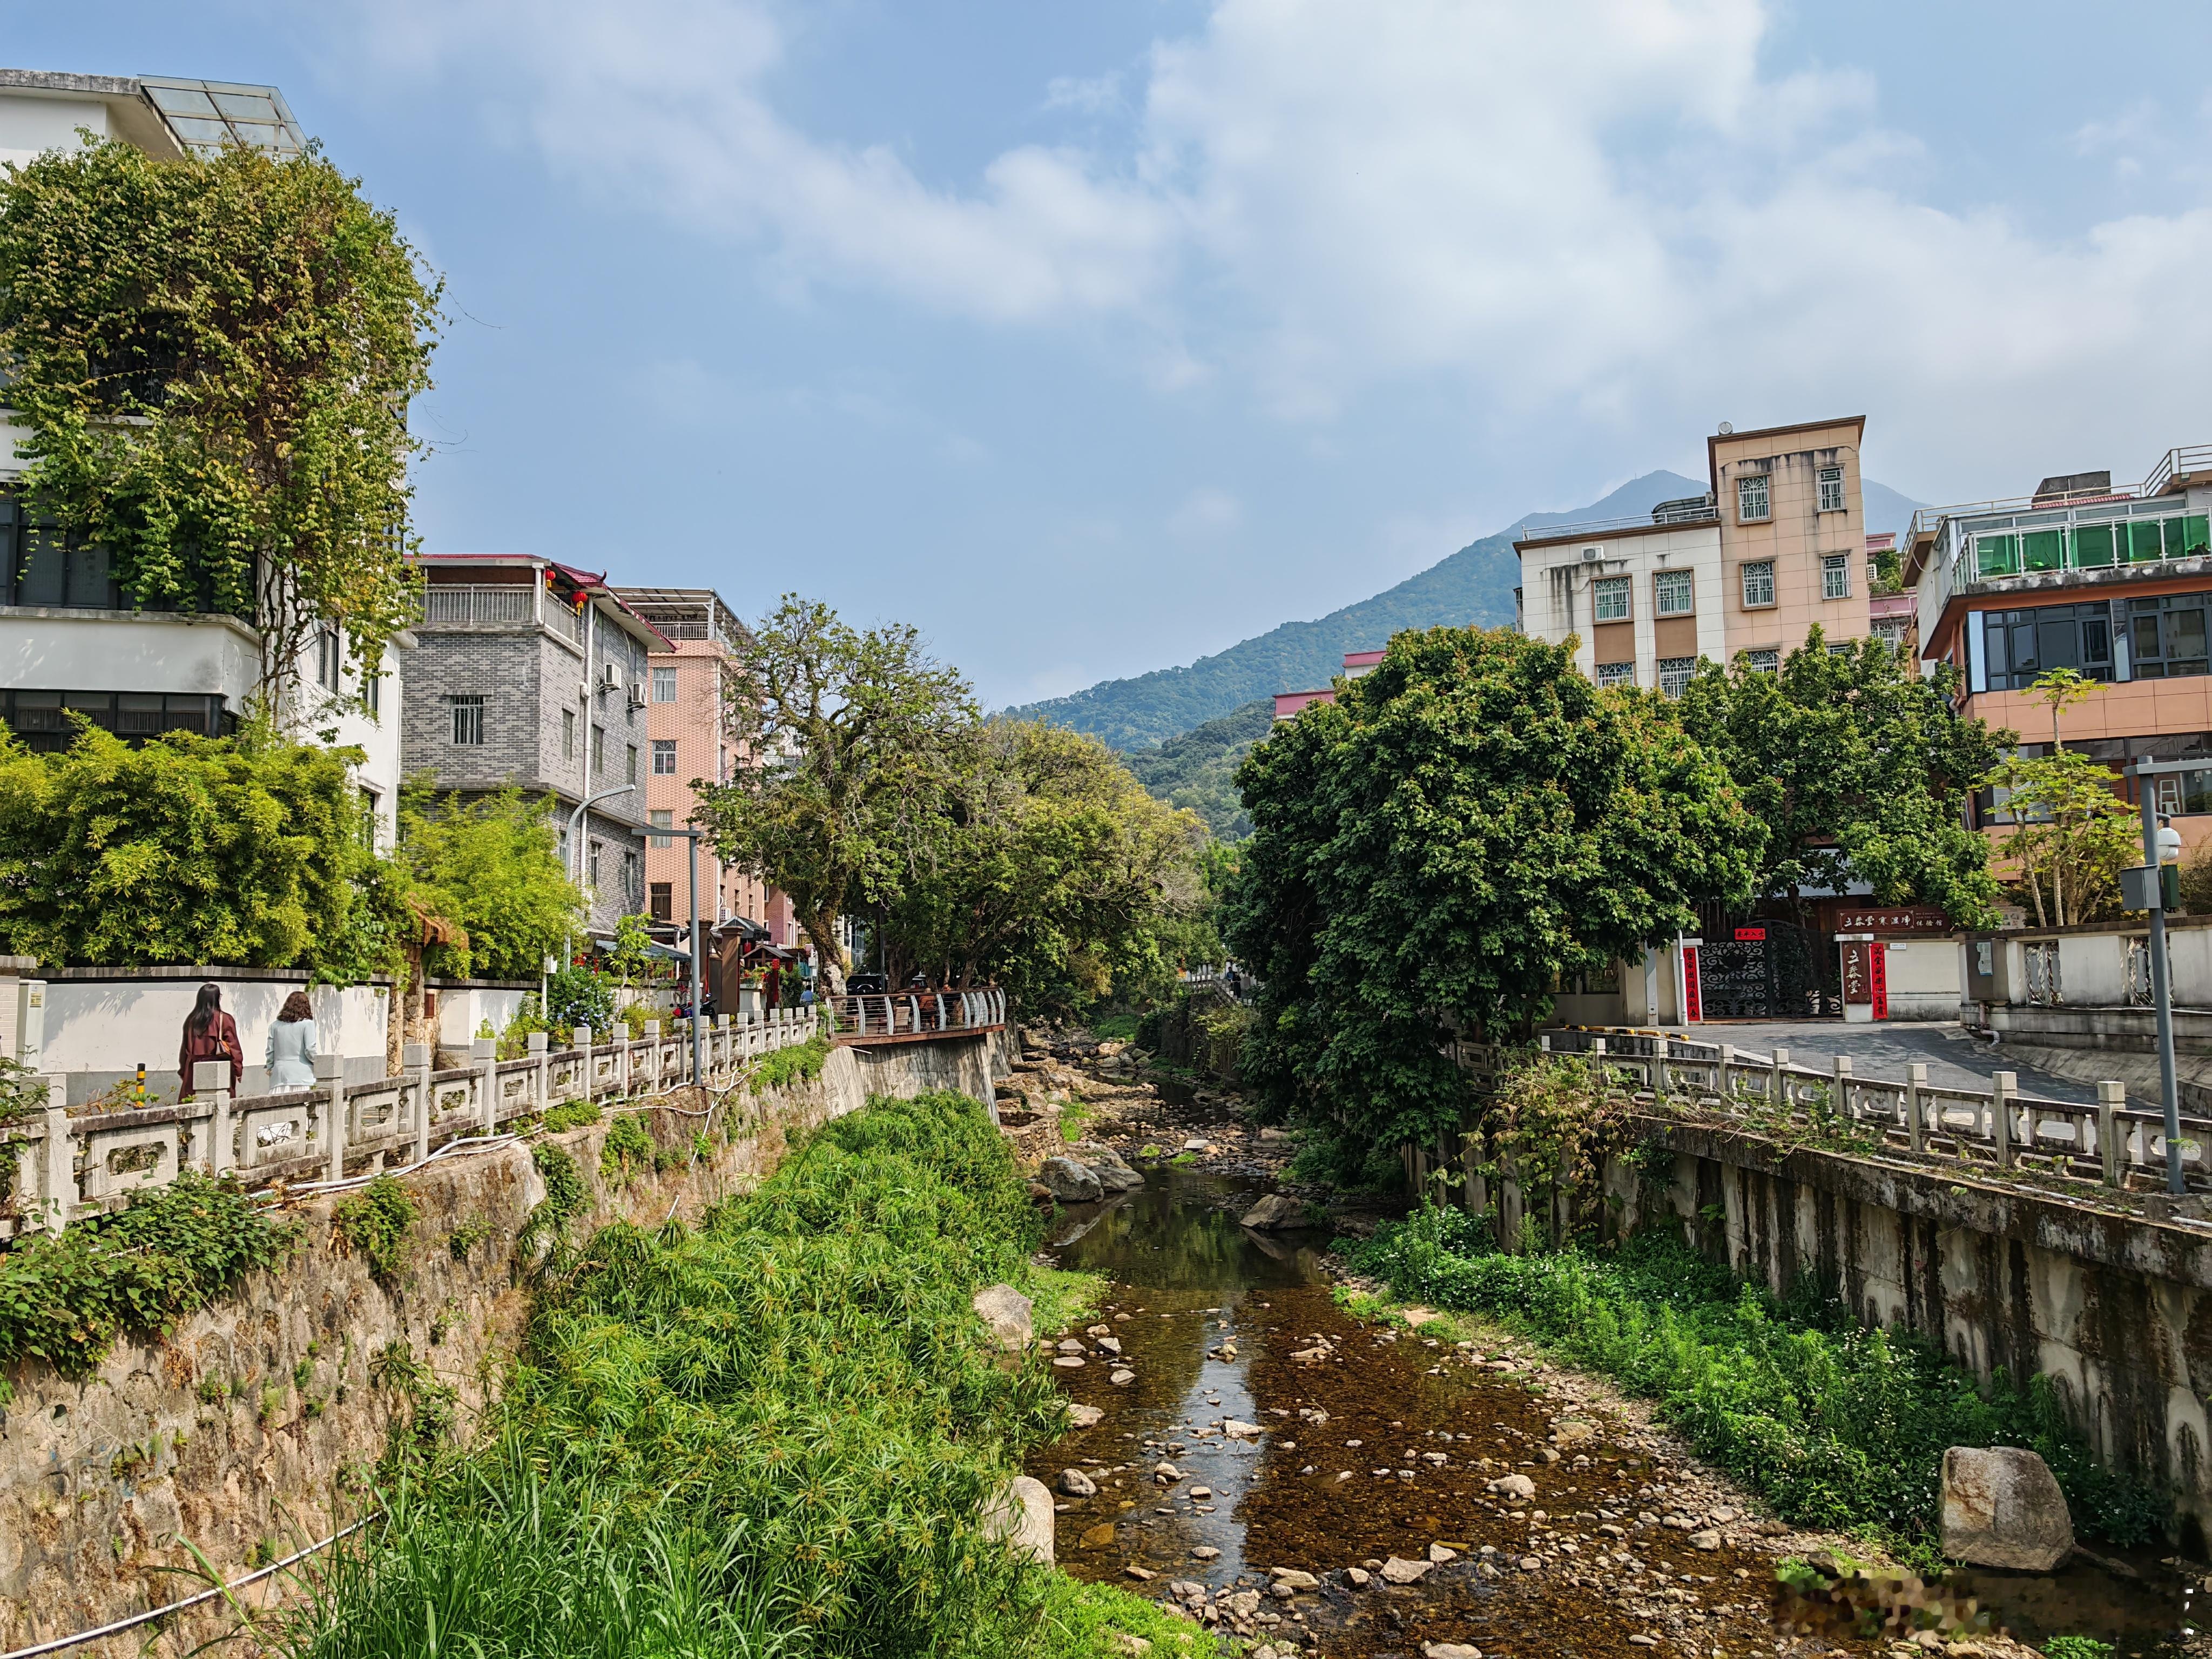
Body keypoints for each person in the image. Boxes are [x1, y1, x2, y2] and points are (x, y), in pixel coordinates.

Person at [178, 982, 245, 1100]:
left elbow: (185, 1049)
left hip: (194, 1067)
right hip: (218, 1069)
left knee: (192, 1104)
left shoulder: (191, 1020)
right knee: (221, 1104)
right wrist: (238, 1069)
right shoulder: (224, 1019)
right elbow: (234, 1047)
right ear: (217, 998)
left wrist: (184, 1070)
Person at [266, 990, 319, 1090]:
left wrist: (270, 1067)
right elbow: (310, 1049)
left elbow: (270, 1051)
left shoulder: (275, 1026)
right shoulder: (307, 1024)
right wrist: (319, 1063)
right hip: (302, 1075)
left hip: (279, 1075)